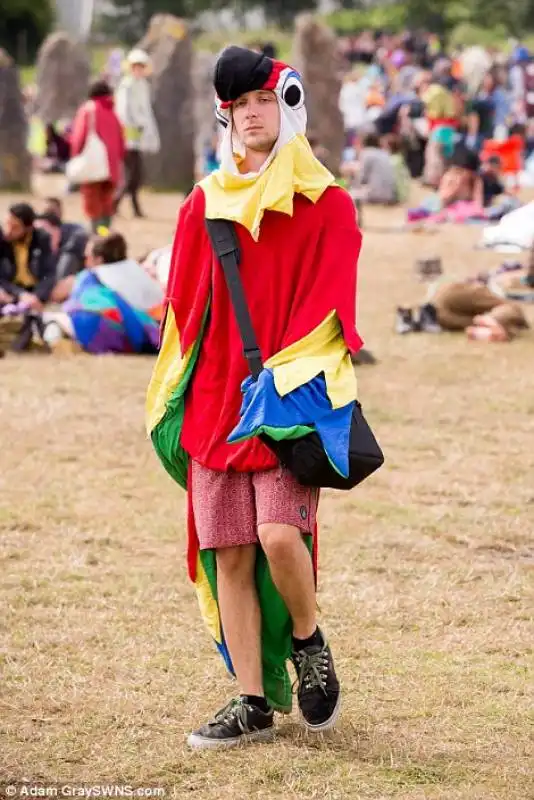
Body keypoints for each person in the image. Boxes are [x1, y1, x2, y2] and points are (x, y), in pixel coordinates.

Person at [146, 46, 363, 749]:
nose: (253, 116)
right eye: (240, 107)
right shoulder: (202, 204)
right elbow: (183, 308)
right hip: (215, 403)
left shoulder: (327, 202)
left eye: (264, 101)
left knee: (277, 535)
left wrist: (286, 375)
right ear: (226, 116)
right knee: (230, 553)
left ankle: (308, 639)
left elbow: (333, 307)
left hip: (287, 398)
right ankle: (250, 701)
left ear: (287, 105)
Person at [70, 80, 125, 232]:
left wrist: (76, 155)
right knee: (106, 201)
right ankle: (104, 232)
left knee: (92, 200)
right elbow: (121, 141)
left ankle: (95, 234)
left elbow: (79, 136)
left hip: (93, 164)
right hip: (111, 166)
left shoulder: (88, 110)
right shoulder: (113, 113)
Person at [115, 49, 160, 218]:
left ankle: (128, 205)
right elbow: (124, 111)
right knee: (132, 173)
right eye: (136, 66)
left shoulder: (143, 85)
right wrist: (133, 125)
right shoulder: (126, 85)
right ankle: (118, 203)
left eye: (141, 66)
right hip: (129, 135)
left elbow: (146, 111)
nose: (139, 70)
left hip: (139, 135)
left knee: (135, 174)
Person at [0, 203, 55, 310]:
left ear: (28, 228)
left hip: (35, 290)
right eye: (8, 224)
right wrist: (20, 294)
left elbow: (49, 273)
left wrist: (37, 296)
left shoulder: (41, 239)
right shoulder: (3, 240)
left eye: (15, 227)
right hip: (11, 289)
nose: (8, 231)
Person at [35, 211, 89, 302]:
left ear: (56, 229)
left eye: (43, 231)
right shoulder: (45, 247)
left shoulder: (76, 238)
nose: (41, 237)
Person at [344, 131, 399, 205]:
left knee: (346, 195)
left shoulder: (366, 153)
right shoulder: (384, 153)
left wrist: (351, 181)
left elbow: (361, 178)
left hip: (375, 195)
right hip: (390, 195)